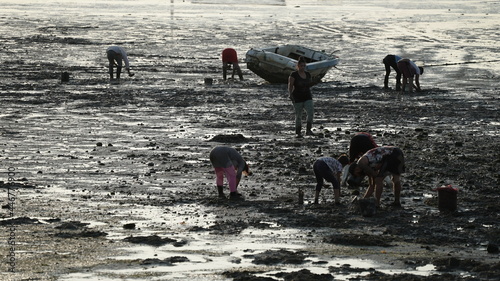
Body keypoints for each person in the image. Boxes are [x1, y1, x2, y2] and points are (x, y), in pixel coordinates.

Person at [288, 56, 316, 138]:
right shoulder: (294, 74)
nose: (302, 67)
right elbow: (290, 85)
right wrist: (290, 94)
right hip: (297, 96)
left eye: (304, 66)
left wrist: (314, 82)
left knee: (310, 112)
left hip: (307, 95)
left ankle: (308, 130)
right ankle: (298, 132)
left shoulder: (307, 74)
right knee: (298, 115)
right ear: (298, 66)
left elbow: (308, 85)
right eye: (301, 66)